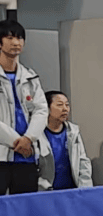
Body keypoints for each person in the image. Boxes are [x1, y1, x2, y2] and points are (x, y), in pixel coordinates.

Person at [0, 20, 47, 195]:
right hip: (3, 154)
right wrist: (17, 142)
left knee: (25, 206)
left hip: (26, 156)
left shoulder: (30, 77)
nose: (16, 43)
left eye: (19, 38)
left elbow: (41, 109)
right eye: (10, 38)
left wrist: (28, 138)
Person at [38, 91, 92, 190]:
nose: (65, 109)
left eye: (67, 105)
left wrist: (84, 189)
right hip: (46, 192)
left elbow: (83, 162)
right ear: (47, 108)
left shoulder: (73, 132)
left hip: (72, 191)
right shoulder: (38, 133)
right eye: (59, 105)